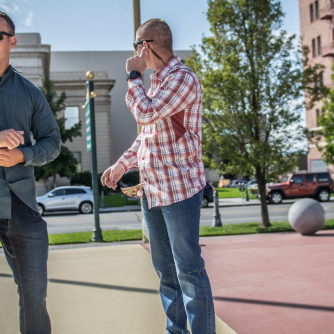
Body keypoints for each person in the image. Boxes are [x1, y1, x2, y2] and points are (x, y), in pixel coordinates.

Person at [101, 19, 216, 334]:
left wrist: (133, 75)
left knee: (188, 270)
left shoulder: (183, 79)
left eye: (136, 45)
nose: (136, 52)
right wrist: (123, 164)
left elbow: (146, 114)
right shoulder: (157, 85)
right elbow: (147, 135)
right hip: (152, 190)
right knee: (166, 273)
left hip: (179, 190)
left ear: (145, 46)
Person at [0, 12, 61, 334]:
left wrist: (23, 154)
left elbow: (53, 142)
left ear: (12, 40)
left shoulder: (30, 93)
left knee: (34, 295)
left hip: (20, 206)